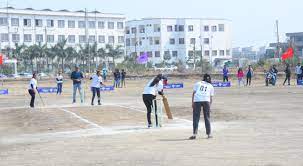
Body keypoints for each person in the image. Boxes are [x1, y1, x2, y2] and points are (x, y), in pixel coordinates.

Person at [189, 74, 215, 140]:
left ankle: (194, 134)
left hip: (197, 100)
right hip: (206, 101)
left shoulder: (197, 83)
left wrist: (192, 102)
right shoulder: (210, 86)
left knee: (196, 117)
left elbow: (194, 93)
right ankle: (209, 134)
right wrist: (210, 106)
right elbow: (211, 98)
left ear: (203, 78)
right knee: (207, 117)